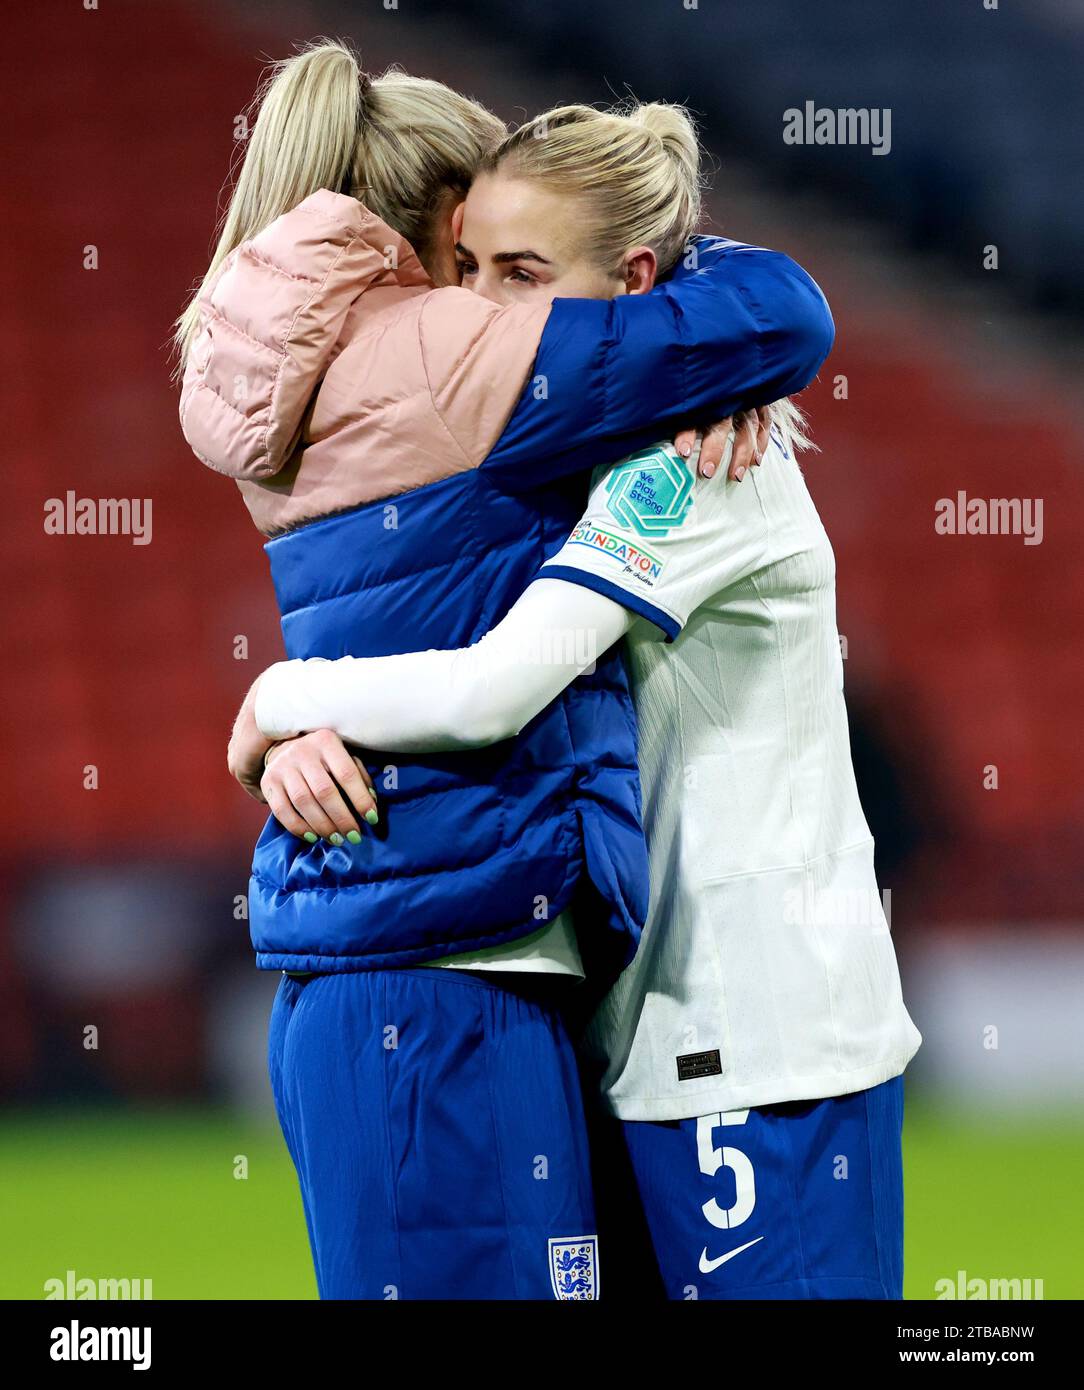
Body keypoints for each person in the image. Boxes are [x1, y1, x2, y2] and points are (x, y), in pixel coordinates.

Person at [233, 104, 921, 1302]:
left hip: (764, 1035)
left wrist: (273, 702)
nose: (485, 309)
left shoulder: (700, 463)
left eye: (522, 274)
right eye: (466, 272)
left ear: (637, 284)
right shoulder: (582, 454)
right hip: (642, 1029)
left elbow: (495, 683)